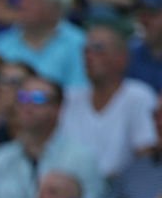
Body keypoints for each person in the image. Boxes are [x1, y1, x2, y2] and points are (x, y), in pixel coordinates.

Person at [58, 21, 158, 180]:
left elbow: (146, 155)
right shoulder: (69, 98)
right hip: (69, 188)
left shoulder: (138, 96)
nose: (89, 56)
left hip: (118, 191)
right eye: (85, 51)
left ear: (122, 57)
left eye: (98, 49)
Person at [0, 0, 88, 89]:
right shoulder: (1, 44)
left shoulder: (79, 43)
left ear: (55, 9)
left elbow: (79, 93)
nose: (22, 4)